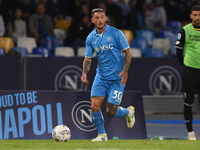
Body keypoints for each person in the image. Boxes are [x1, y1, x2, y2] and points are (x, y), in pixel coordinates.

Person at [81, 8, 135, 141]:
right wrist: (84, 73)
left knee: (110, 112)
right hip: (101, 77)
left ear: (105, 19)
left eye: (102, 17)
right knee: (94, 105)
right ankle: (102, 135)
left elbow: (128, 52)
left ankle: (129, 112)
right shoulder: (90, 38)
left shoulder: (116, 33)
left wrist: (126, 71)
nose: (100, 20)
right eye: (97, 18)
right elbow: (88, 58)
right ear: (92, 20)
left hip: (117, 78)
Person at [175, 5, 200, 140]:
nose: (197, 17)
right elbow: (178, 52)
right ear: (190, 16)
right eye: (195, 15)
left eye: (199, 15)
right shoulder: (184, 31)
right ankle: (191, 133)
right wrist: (185, 66)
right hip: (190, 71)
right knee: (188, 102)